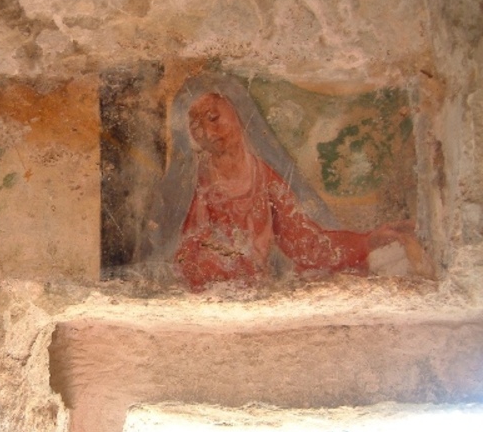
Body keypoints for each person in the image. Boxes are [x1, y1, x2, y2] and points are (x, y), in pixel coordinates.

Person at [175, 92, 418, 291]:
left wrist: (367, 241)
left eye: (213, 118)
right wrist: (227, 266)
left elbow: (306, 244)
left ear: (236, 115)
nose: (208, 133)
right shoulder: (199, 182)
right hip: (215, 298)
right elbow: (187, 258)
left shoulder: (263, 177)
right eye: (197, 127)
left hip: (253, 296)